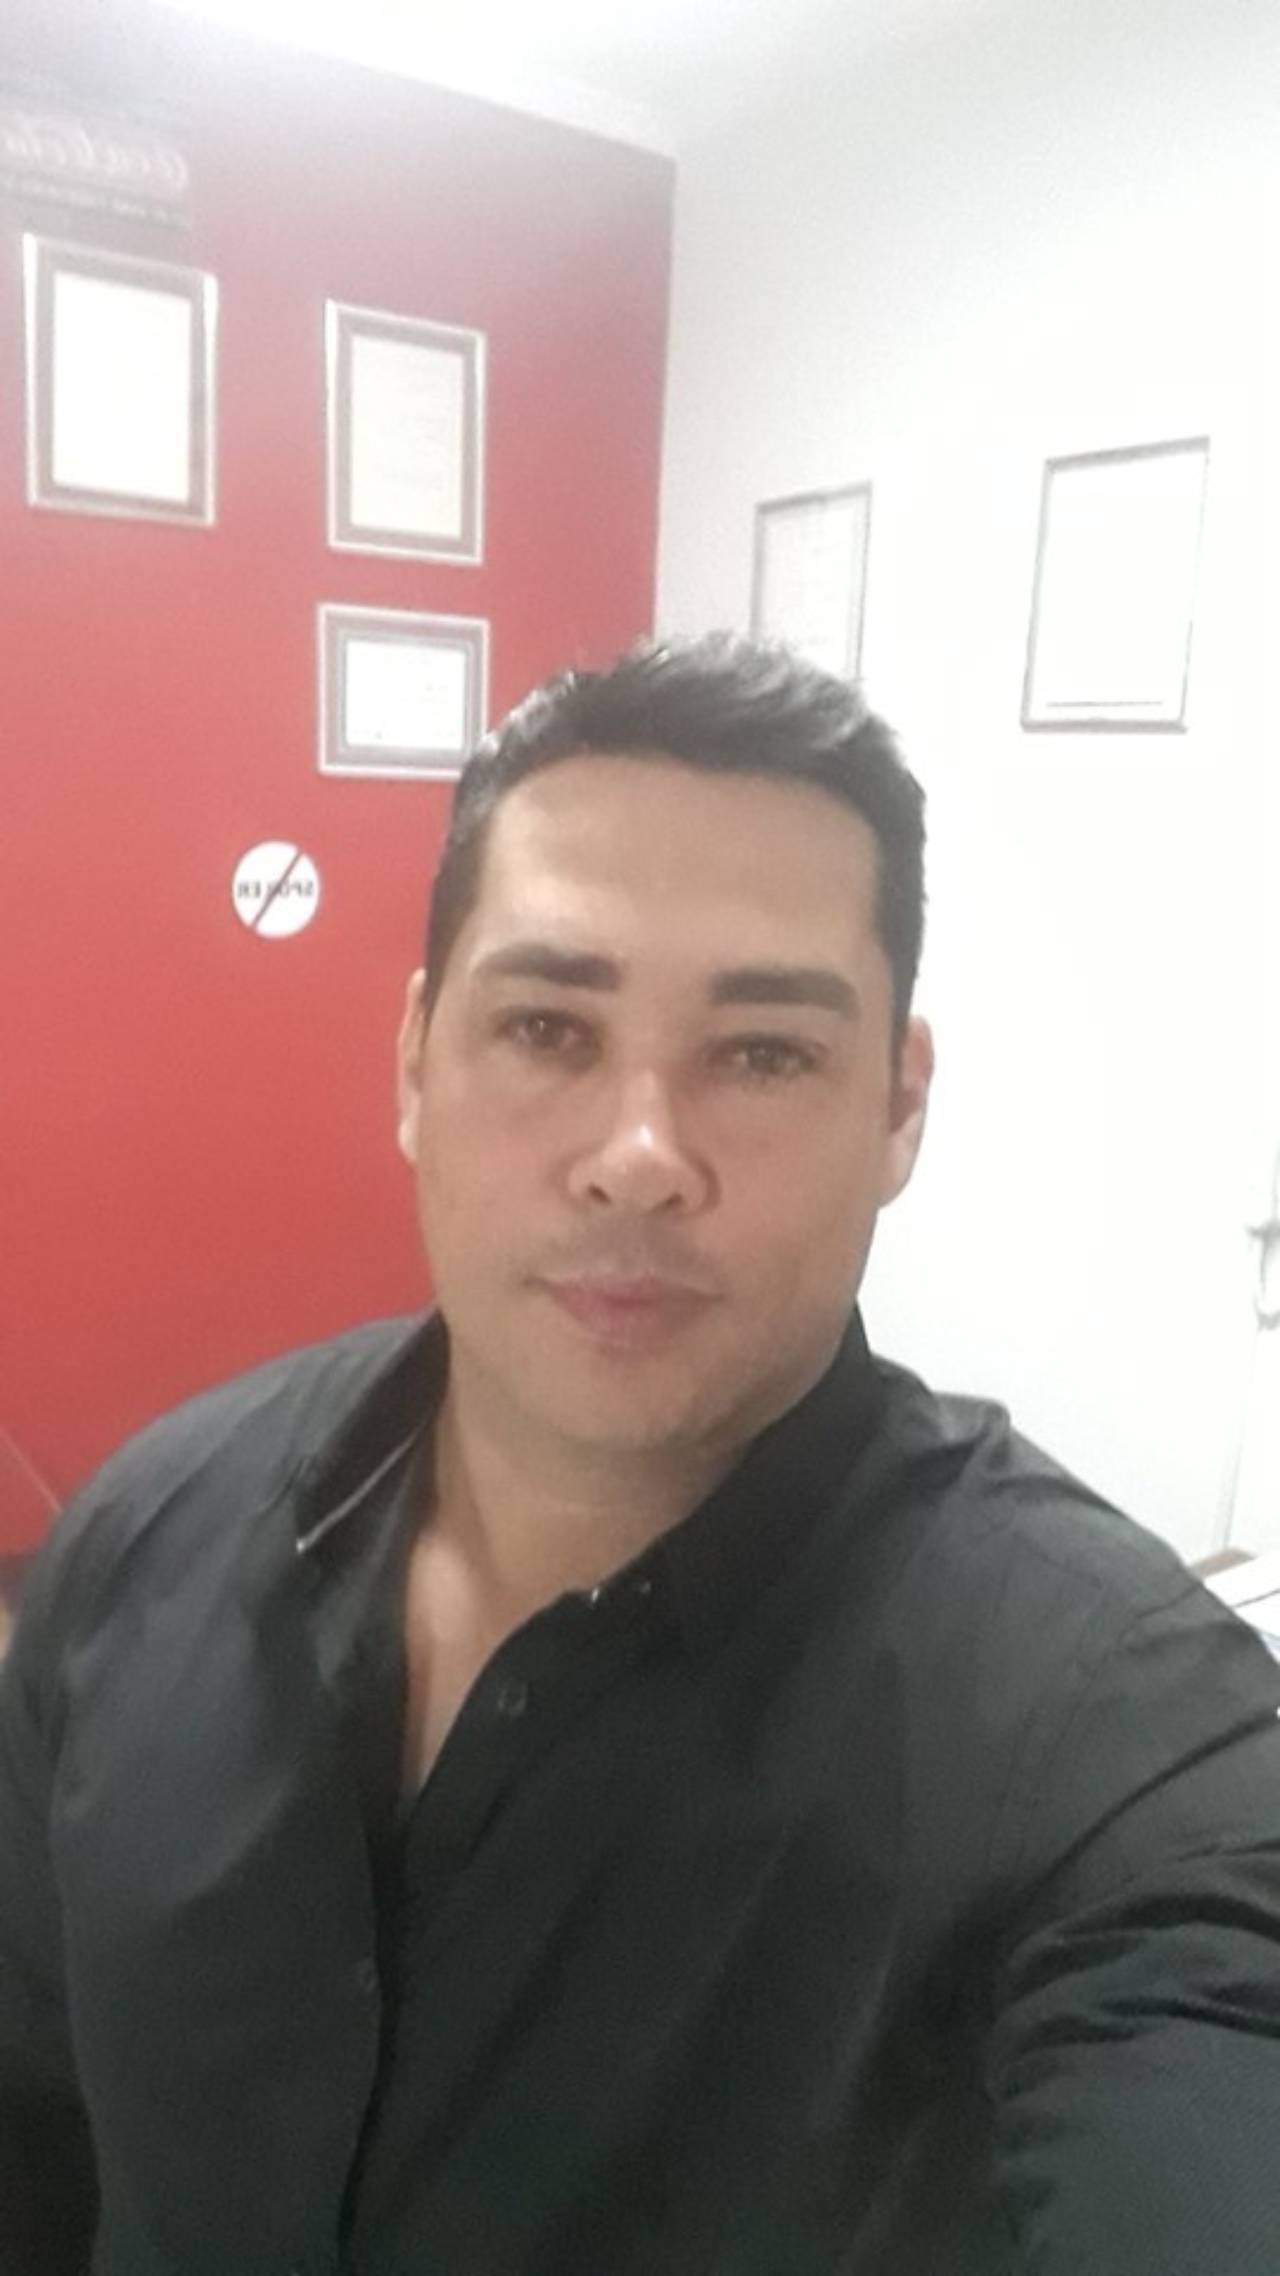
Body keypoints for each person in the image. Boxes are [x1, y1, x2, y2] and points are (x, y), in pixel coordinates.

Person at [2, 636, 1278, 2276]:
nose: (638, 1158)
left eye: (763, 1053)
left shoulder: (1116, 1751)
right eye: (548, 1027)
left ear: (900, 1107)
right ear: (415, 1062)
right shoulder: (145, 1541)